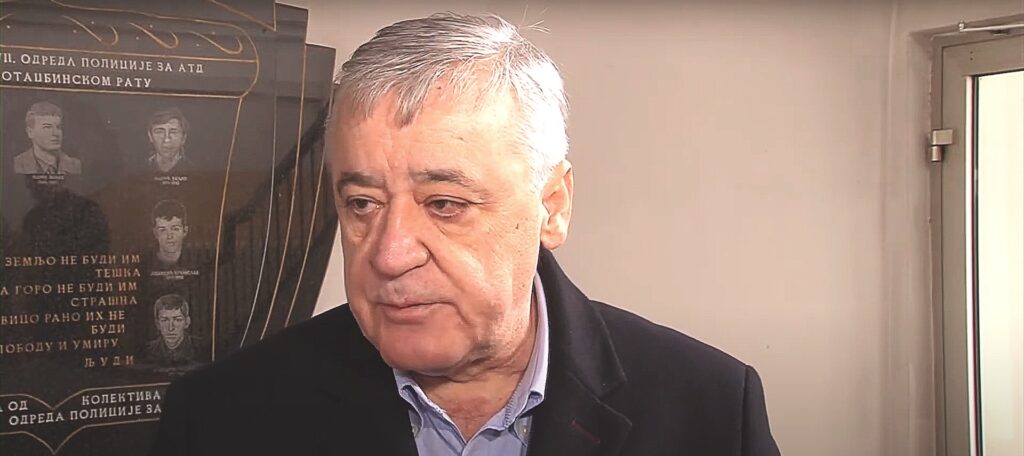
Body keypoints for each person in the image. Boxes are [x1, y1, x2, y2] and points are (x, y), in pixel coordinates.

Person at [151, 13, 780, 456]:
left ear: (552, 207)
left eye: (445, 204)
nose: (390, 254)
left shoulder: (711, 410)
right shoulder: (219, 420)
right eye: (362, 203)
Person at [13, 101, 82, 175]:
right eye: (47, 127)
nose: (55, 133)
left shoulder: (76, 166)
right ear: (30, 132)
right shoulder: (16, 165)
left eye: (58, 127)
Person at [145, 294, 205, 366]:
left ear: (187, 322)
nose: (171, 328)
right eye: (164, 320)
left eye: (177, 320)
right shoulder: (147, 351)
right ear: (157, 324)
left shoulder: (202, 349)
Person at [145, 107, 195, 174]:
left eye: (174, 132)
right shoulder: (137, 170)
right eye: (159, 132)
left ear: (183, 138)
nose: (166, 139)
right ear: (150, 136)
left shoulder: (196, 172)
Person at [148, 199, 189, 269]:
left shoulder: (200, 264)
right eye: (163, 230)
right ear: (155, 233)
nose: (169, 236)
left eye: (175, 229)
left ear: (185, 231)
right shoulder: (145, 265)